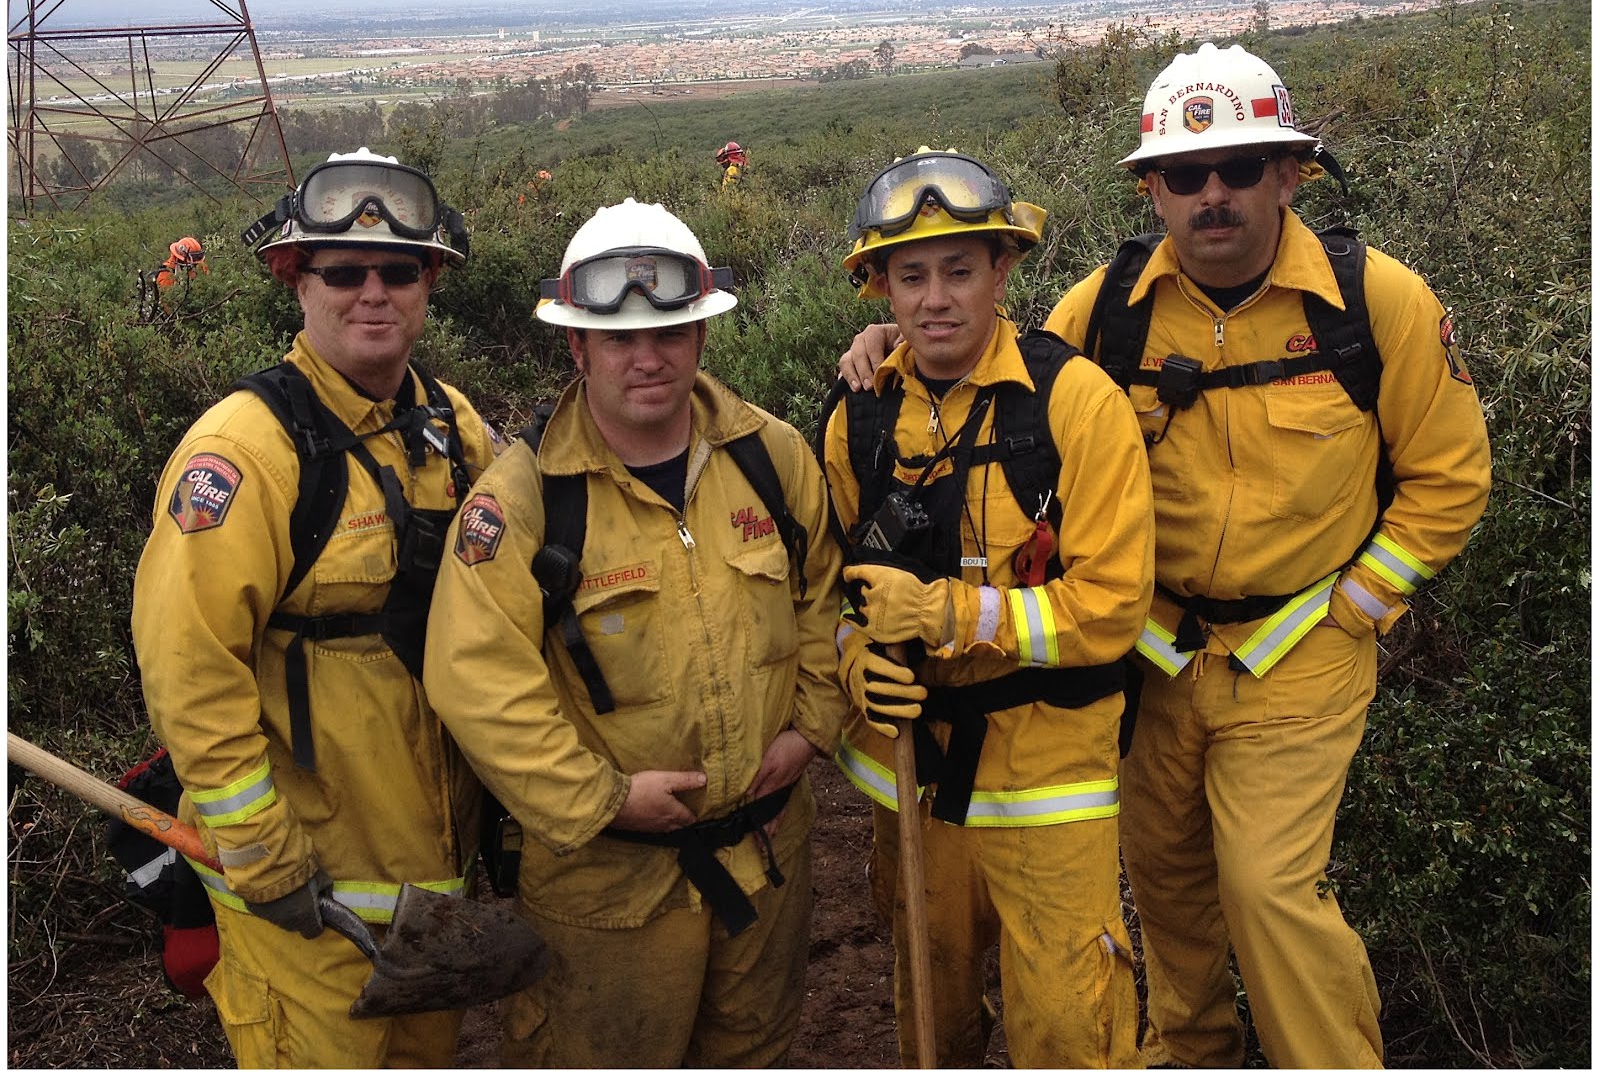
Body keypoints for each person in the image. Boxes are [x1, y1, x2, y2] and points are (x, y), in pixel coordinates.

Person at [837, 45, 1493, 1068]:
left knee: (1269, 890)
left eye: (1240, 167)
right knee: (1170, 886)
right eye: (1185, 175)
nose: (1213, 194)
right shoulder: (1103, 313)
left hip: (1302, 649)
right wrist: (891, 343)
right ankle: (1192, 1053)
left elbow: (1450, 476)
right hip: (1147, 655)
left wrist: (1361, 602)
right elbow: (995, 369)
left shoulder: (1379, 305)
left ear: (1291, 172)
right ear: (1153, 188)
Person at [423, 198, 847, 1068]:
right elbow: (477, 680)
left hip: (766, 855)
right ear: (576, 349)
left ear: (701, 336)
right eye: (618, 339)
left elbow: (822, 599)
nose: (647, 358)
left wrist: (811, 728)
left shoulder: (771, 457)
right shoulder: (523, 502)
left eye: (670, 332)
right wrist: (606, 800)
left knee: (756, 1052)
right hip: (606, 886)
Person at [132, 147, 499, 1068]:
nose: (371, 291)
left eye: (399, 270)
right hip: (305, 912)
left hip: (433, 899)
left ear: (431, 282)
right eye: (342, 271)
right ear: (295, 281)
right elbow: (189, 670)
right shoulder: (244, 453)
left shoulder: (454, 429)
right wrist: (261, 852)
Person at [820, 148, 1155, 1067]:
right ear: (879, 286)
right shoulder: (859, 418)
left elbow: (1115, 606)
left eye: (960, 270)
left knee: (1065, 1028)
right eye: (911, 274)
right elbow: (836, 595)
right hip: (915, 781)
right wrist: (856, 658)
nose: (935, 299)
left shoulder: (1075, 405)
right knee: (933, 1016)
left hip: (1050, 782)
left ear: (1003, 271)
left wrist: (957, 618)